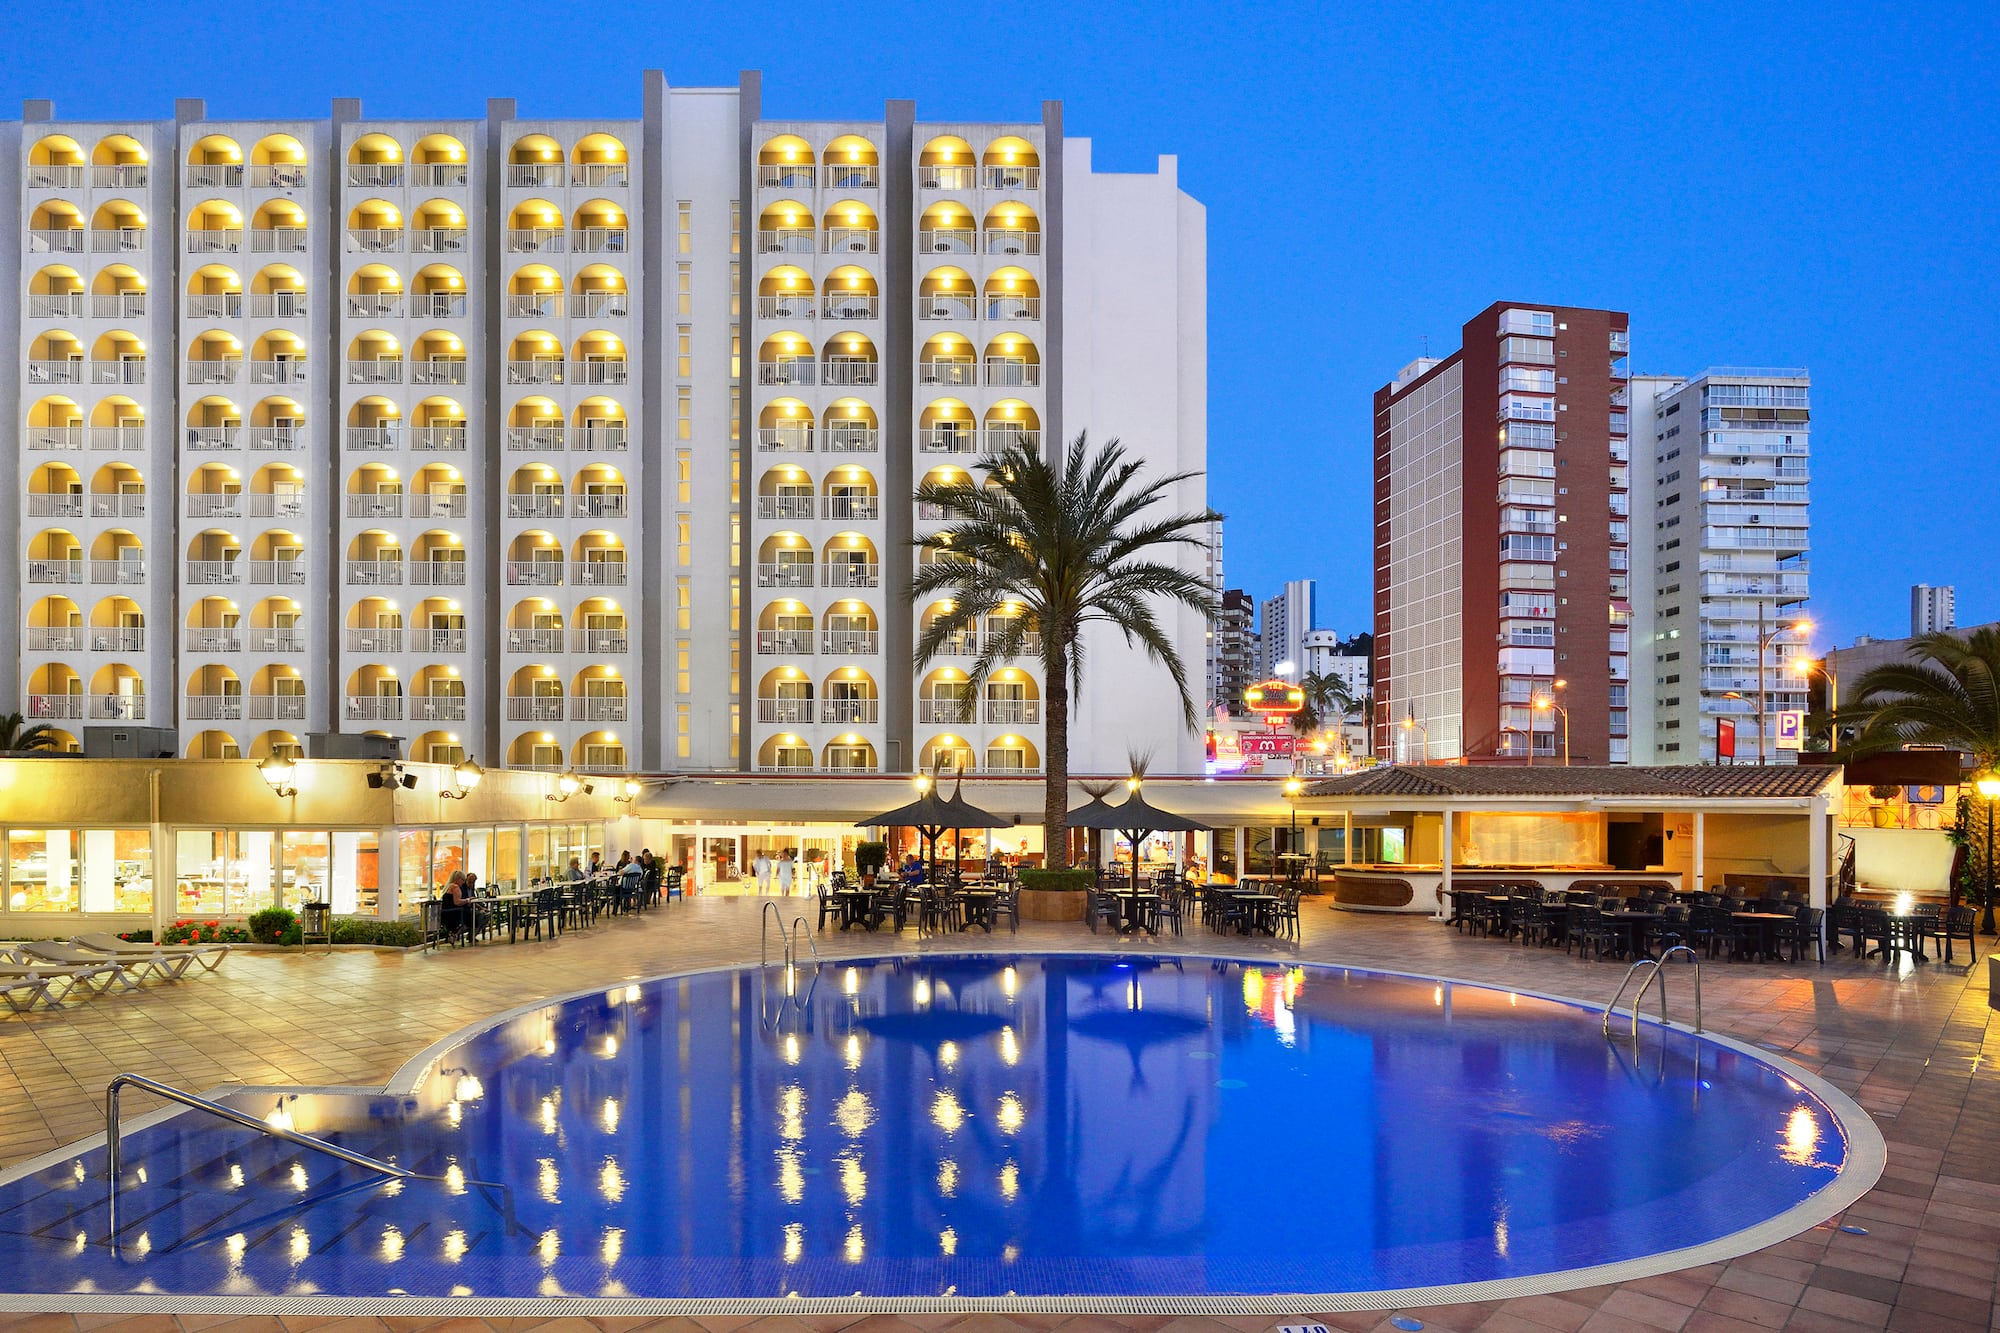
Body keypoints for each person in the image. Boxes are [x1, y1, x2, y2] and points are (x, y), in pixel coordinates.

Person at [440, 869, 467, 942]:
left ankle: (454, 934)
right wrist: (468, 900)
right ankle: (454, 934)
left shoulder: (448, 886)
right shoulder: (455, 887)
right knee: (470, 916)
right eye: (463, 880)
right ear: (458, 879)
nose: (463, 883)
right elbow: (457, 902)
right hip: (452, 914)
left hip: (444, 914)